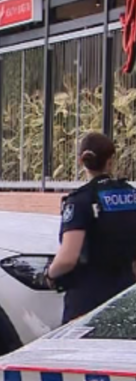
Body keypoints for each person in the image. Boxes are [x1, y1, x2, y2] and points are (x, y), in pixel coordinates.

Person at [44, 132, 136, 323]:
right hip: (126, 297)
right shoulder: (131, 196)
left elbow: (68, 258)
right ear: (111, 161)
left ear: (81, 161)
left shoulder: (80, 200)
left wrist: (49, 274)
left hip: (87, 300)